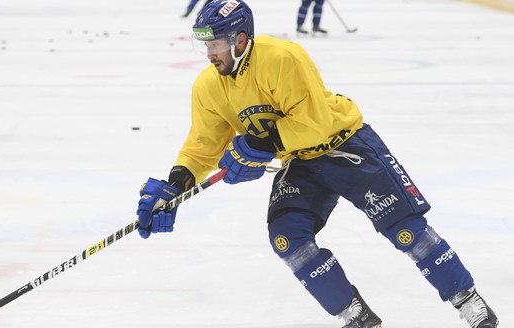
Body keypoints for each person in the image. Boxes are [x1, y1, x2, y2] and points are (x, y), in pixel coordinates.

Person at [135, 0, 499, 327]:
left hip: (346, 146)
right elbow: (201, 146)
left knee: (404, 230)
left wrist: (257, 145)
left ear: (240, 40)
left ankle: (469, 302)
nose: (209, 54)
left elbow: (314, 123)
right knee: (286, 237)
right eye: (205, 45)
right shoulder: (207, 87)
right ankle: (355, 315)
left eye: (214, 44)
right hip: (300, 161)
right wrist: (175, 186)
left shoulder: (282, 57)